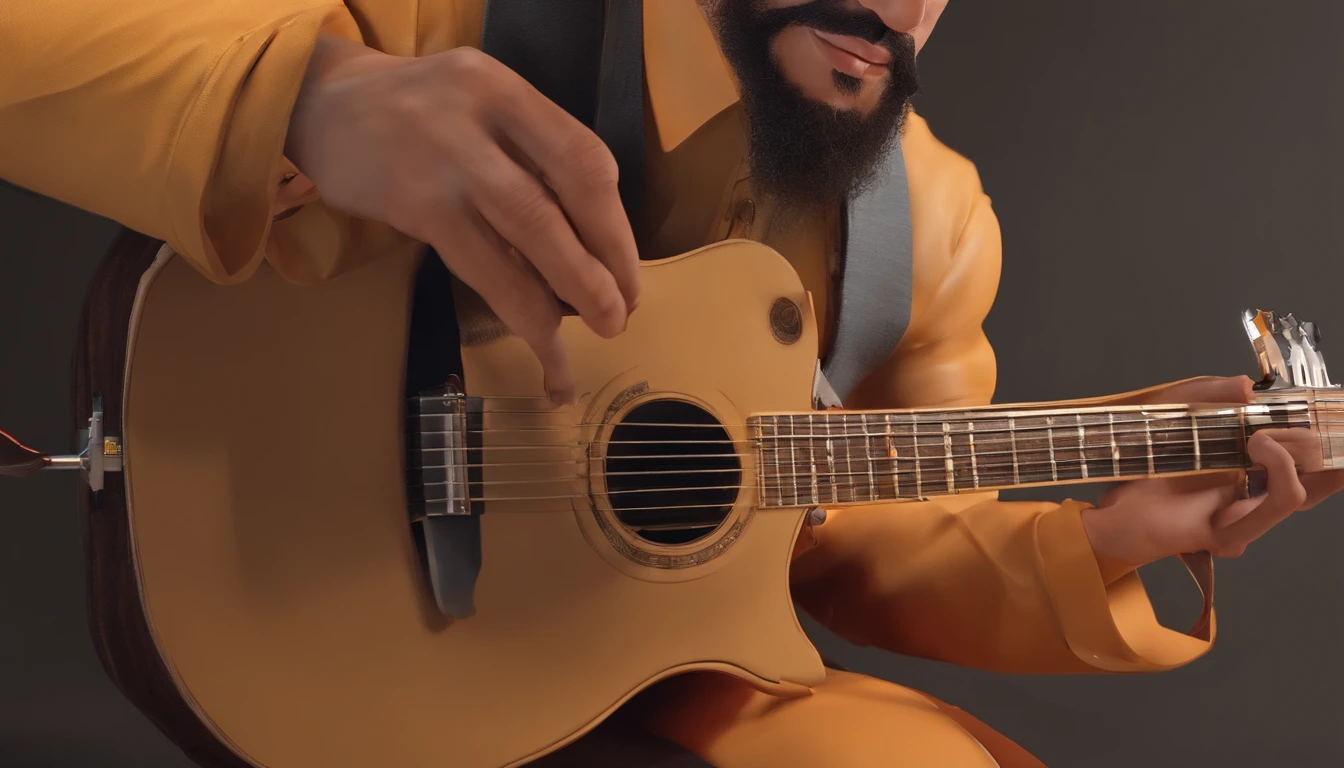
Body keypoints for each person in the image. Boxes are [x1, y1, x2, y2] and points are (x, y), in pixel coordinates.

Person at [3, 1, 1341, 765]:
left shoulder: (929, 221)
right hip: (315, 630)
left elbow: (840, 538)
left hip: (658, 679)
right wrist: (302, 91)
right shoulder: (449, 13)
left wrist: (1103, 533)